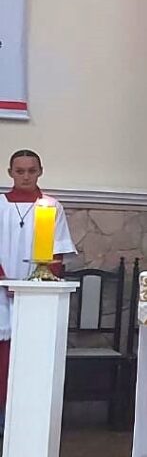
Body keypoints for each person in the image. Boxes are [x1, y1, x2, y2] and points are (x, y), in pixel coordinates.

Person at [0, 150, 77, 416]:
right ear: (10, 173)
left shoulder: (51, 206)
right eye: (19, 171)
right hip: (0, 292)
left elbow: (57, 252)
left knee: (32, 357)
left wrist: (37, 284)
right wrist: (6, 282)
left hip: (37, 294)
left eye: (31, 171)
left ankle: (27, 413)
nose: (25, 176)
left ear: (40, 171)